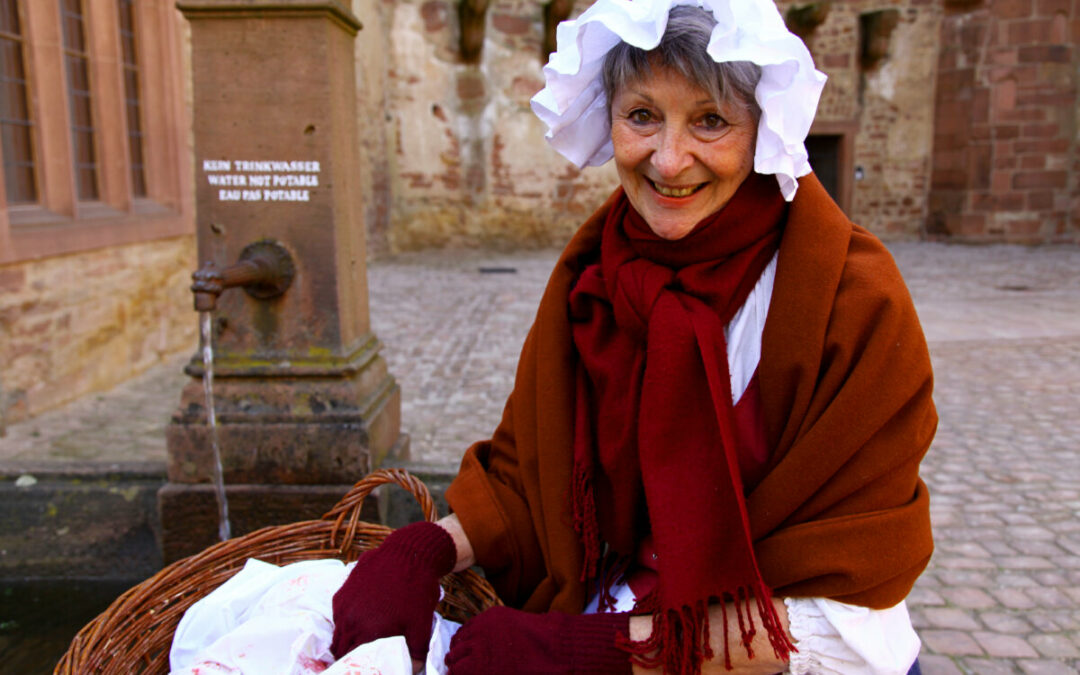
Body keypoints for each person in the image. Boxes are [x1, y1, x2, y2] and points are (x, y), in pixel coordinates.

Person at [331, 0, 936, 673]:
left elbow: (848, 624)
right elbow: (532, 478)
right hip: (619, 606)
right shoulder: (592, 275)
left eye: (710, 120)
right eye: (642, 115)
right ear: (608, 117)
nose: (669, 161)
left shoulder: (853, 300)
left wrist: (592, 650)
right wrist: (423, 550)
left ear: (762, 128)